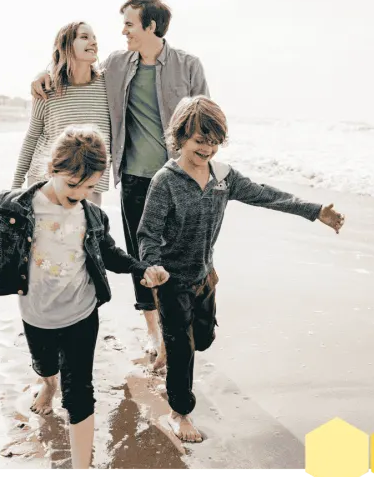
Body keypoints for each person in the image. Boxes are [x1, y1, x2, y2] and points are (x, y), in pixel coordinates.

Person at [0, 125, 169, 470]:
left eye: (89, 186)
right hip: (36, 313)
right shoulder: (14, 204)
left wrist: (142, 268)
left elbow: (110, 255)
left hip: (82, 312)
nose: (78, 194)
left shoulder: (92, 216)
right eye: (72, 184)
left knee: (80, 393)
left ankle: (81, 466)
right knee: (45, 365)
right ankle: (47, 384)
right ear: (52, 170)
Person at [136, 96, 346, 442]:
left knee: (202, 339)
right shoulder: (166, 181)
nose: (207, 149)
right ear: (181, 137)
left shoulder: (223, 177)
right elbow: (148, 233)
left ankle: (168, 348)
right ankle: (179, 412)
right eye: (200, 141)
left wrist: (315, 211)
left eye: (214, 142)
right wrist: (154, 265)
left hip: (205, 277)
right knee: (182, 350)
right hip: (172, 282)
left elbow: (265, 195)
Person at [30, 0, 209, 370]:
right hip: (133, 178)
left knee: (184, 255)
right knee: (142, 255)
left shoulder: (189, 66)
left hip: (178, 179)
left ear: (151, 26)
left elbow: (205, 121)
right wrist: (41, 76)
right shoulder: (116, 65)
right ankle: (156, 332)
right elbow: (75, 72)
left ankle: (195, 302)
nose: (122, 31)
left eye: (129, 24)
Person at [14, 22, 111, 206]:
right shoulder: (47, 88)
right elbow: (32, 136)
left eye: (94, 38)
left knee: (85, 234)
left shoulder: (107, 85)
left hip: (89, 186)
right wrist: (16, 186)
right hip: (45, 183)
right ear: (66, 45)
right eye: (84, 37)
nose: (93, 42)